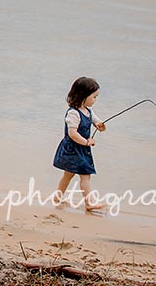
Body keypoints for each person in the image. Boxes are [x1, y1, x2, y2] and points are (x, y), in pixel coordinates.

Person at [52, 76, 107, 212]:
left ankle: (57, 197)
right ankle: (89, 203)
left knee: (68, 174)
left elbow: (95, 120)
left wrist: (100, 125)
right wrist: (86, 142)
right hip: (73, 149)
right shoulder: (73, 113)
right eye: (94, 97)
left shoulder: (88, 111)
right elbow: (72, 134)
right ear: (83, 96)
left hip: (81, 149)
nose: (95, 100)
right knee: (84, 176)